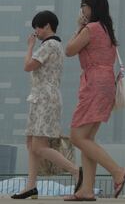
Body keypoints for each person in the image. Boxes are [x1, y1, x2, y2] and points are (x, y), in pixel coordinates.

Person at [65, 0, 125, 201]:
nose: (82, 9)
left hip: (93, 83)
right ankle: (86, 190)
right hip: (106, 84)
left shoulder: (90, 28)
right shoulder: (106, 29)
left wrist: (79, 26)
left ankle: (117, 171)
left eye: (83, 5)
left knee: (76, 136)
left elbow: (69, 50)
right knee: (87, 138)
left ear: (90, 7)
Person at [11, 11, 82, 200]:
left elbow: (28, 66)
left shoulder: (49, 45)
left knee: (39, 146)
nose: (36, 31)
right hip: (41, 98)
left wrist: (29, 47)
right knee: (31, 143)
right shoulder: (55, 45)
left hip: (44, 98)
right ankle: (31, 186)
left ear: (47, 26)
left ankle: (75, 171)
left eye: (38, 27)